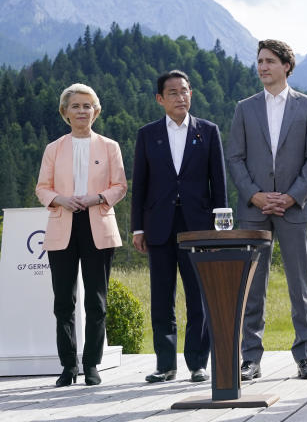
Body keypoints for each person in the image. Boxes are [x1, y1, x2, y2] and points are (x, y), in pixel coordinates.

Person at [227, 39, 307, 381]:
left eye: (269, 61)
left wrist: (292, 195)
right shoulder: (245, 108)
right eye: (259, 61)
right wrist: (254, 196)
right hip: (254, 211)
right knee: (253, 286)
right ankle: (250, 358)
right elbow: (235, 158)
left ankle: (306, 356)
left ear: (287, 66)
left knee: (301, 286)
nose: (262, 67)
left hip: (295, 209)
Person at [131, 70, 227, 383]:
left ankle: (198, 363)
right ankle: (165, 364)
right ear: (160, 99)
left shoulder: (208, 131)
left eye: (184, 91)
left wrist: (219, 228)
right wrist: (137, 228)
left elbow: (219, 184)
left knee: (198, 294)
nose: (180, 97)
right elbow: (141, 185)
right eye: (172, 92)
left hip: (198, 226)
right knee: (162, 297)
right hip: (158, 226)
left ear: (191, 94)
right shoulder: (147, 134)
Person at [36, 83, 126, 387]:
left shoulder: (110, 146)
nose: (82, 111)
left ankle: (91, 365)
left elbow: (120, 186)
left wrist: (96, 197)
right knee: (63, 301)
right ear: (65, 112)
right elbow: (42, 188)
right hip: (62, 226)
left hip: (97, 226)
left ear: (96, 111)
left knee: (97, 302)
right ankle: (68, 366)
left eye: (88, 105)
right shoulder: (54, 148)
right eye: (75, 106)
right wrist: (60, 199)